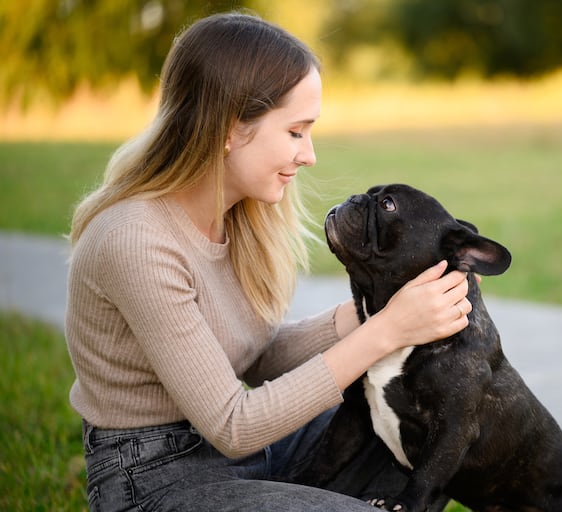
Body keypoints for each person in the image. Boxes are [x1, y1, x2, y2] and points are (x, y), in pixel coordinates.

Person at [64, 11, 471, 512]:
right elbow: (235, 425)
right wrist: (386, 330)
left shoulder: (235, 218)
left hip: (249, 457)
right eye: (297, 131)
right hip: (155, 481)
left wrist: (367, 313)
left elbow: (250, 355)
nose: (310, 155)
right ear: (231, 127)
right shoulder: (135, 241)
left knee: (428, 432)